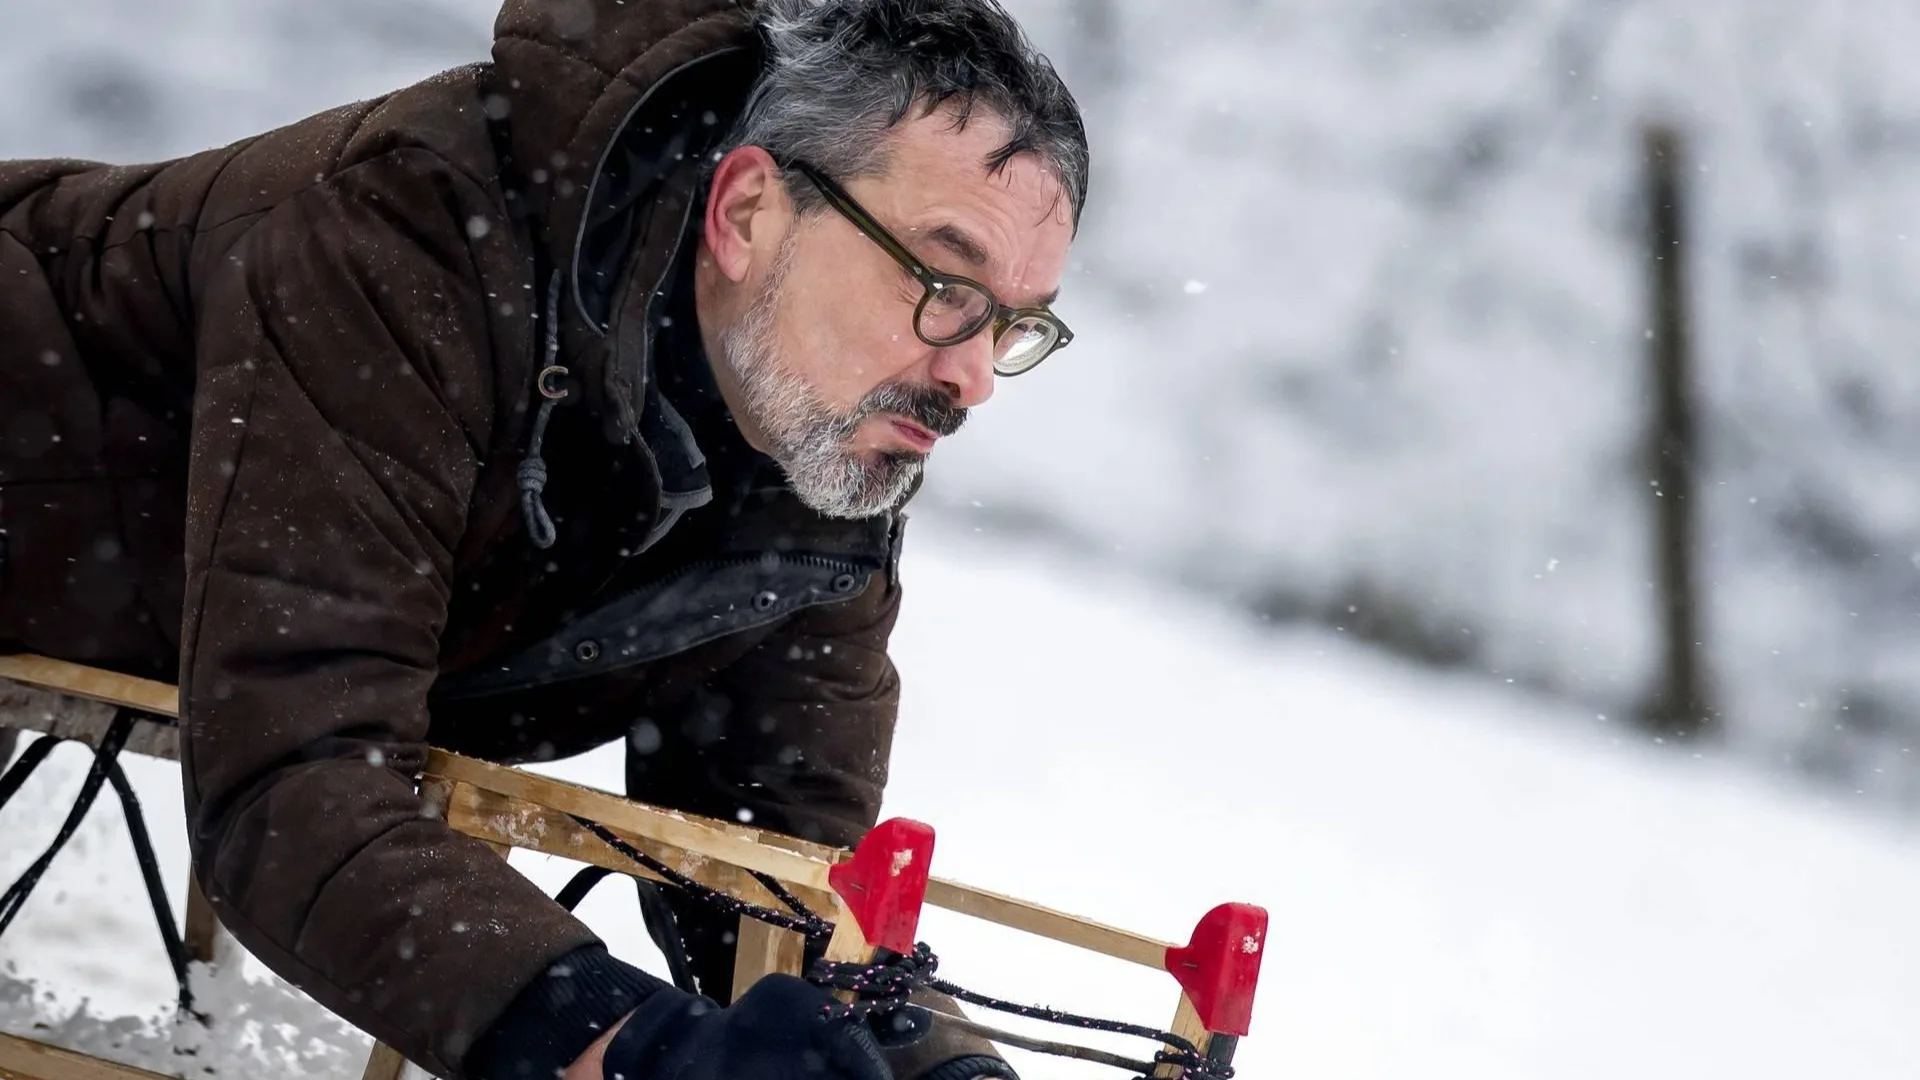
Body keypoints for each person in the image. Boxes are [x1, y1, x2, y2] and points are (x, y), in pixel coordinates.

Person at [0, 0, 1087, 1077]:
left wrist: (931, 1063)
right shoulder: (404, 238)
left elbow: (769, 867)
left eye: (1013, 322)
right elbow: (298, 780)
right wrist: (628, 1046)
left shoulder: (816, 417)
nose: (973, 376)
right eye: (945, 287)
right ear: (749, 211)